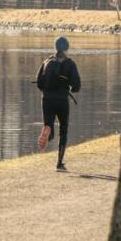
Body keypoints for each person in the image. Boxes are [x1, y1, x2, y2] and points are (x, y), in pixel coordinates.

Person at [36, 36, 81, 170]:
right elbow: (77, 86)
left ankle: (48, 131)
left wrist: (47, 91)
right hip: (62, 100)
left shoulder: (47, 61)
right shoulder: (70, 64)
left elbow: (39, 83)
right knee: (64, 130)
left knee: (48, 124)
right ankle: (59, 162)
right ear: (67, 48)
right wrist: (71, 88)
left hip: (47, 99)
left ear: (56, 48)